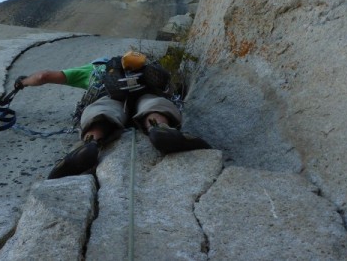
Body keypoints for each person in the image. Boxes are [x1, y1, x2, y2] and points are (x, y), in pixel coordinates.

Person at [14, 51, 210, 180]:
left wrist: (23, 82)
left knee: (102, 109)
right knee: (151, 102)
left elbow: (43, 76)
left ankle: (91, 141)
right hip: (144, 89)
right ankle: (159, 127)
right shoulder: (141, 67)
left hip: (108, 94)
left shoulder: (93, 70)